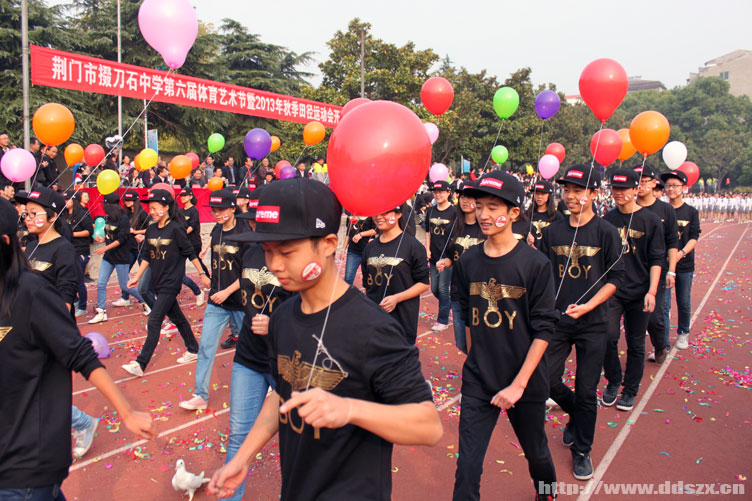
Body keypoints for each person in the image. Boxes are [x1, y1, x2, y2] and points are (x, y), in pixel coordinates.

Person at [207, 178, 442, 500]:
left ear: (329, 243)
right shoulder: (283, 319)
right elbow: (284, 392)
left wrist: (348, 409)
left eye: (287, 251)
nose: (275, 265)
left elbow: (428, 426)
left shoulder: (374, 328)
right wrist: (242, 457)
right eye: (267, 251)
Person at [0, 197, 156, 499]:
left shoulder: (34, 288)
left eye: (34, 213)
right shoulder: (29, 251)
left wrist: (127, 412)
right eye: (26, 214)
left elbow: (79, 350)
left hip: (24, 462)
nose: (29, 219)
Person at [451, 171, 558, 501]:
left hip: (524, 381)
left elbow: (544, 329)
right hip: (479, 380)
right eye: (479, 205)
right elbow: (465, 315)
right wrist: (477, 360)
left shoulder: (536, 264)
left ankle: (547, 493)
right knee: (467, 466)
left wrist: (518, 385)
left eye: (493, 207)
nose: (483, 214)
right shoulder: (468, 262)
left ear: (514, 213)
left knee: (537, 453)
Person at [539, 165, 624, 481]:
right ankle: (575, 412)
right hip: (558, 321)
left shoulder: (606, 232)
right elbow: (542, 274)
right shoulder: (552, 233)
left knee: (587, 390)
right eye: (567, 190)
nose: (571, 196)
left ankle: (582, 449)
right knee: (547, 380)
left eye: (578, 190)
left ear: (593, 194)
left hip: (593, 322)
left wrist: (589, 305)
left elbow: (615, 277)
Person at [122, 189, 210, 377]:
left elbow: (190, 252)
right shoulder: (151, 229)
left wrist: (202, 274)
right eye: (151, 208)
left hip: (171, 282)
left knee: (154, 320)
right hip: (157, 281)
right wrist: (137, 276)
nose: (152, 211)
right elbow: (147, 255)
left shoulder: (176, 229)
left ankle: (140, 363)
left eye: (156, 208)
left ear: (167, 207)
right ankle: (193, 348)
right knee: (178, 318)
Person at [602, 169, 665, 411]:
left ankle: (630, 390)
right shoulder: (608, 219)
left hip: (640, 291)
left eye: (624, 189)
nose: (618, 193)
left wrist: (652, 291)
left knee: (636, 343)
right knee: (608, 336)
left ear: (635, 189)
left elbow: (657, 259)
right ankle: (613, 380)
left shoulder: (650, 221)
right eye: (615, 188)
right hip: (613, 290)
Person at [179, 189, 246, 409]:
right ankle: (201, 395)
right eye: (214, 210)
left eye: (221, 209)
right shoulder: (217, 230)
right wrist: (208, 279)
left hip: (241, 303)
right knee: (206, 347)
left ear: (233, 208)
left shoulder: (245, 232)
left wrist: (228, 291)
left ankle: (273, 384)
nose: (217, 214)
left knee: (256, 347)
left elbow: (249, 271)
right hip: (216, 303)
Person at [361, 205, 430, 344]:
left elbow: (424, 283)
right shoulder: (369, 248)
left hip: (402, 322)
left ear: (399, 214)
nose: (379, 217)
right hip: (375, 323)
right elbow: (368, 285)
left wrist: (397, 298)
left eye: (385, 212)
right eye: (376, 212)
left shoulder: (413, 246)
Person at [634, 164, 678, 364]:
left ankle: (660, 345)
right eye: (637, 182)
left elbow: (672, 242)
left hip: (657, 270)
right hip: (631, 271)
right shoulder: (627, 208)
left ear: (653, 184)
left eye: (644, 181)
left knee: (655, 317)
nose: (640, 186)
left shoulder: (666, 210)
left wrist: (671, 271)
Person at [89, 193, 146, 324]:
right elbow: (110, 235)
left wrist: (104, 248)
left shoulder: (123, 219)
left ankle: (145, 300)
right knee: (101, 283)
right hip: (109, 257)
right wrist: (102, 239)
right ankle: (101, 311)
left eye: (105, 205)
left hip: (121, 256)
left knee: (125, 286)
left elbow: (121, 239)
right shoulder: (109, 218)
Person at [441, 182, 484, 354]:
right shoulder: (453, 227)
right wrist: (445, 262)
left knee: (480, 343)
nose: (465, 201)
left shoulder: (486, 227)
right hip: (459, 292)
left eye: (470, 197)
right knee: (462, 344)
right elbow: (450, 256)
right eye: (462, 197)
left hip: (481, 293)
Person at [660, 171, 701, 351]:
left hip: (684, 265)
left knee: (683, 301)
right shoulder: (661, 210)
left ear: (683, 188)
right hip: (664, 265)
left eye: (675, 186)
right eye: (668, 186)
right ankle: (663, 342)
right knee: (664, 305)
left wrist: (680, 253)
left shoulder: (691, 212)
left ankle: (683, 333)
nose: (671, 189)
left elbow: (694, 237)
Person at [423, 180, 458, 332]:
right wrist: (427, 249)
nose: (438, 195)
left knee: (443, 288)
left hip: (447, 257)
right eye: (435, 192)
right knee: (434, 288)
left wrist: (450, 256)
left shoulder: (454, 212)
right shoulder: (430, 211)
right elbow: (427, 232)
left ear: (448, 193)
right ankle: (449, 306)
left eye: (441, 192)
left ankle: (442, 320)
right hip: (433, 255)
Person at [117, 190, 151, 308]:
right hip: (129, 247)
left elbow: (149, 229)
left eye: (130, 200)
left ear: (135, 200)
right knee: (125, 272)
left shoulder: (142, 213)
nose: (127, 202)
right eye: (126, 200)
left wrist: (136, 231)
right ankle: (125, 297)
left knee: (145, 274)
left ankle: (150, 297)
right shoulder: (125, 214)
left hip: (140, 248)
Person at [63, 191, 94, 317]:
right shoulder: (64, 214)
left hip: (81, 250)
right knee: (70, 278)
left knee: (79, 280)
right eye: (64, 200)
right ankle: (75, 300)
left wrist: (72, 234)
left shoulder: (81, 213)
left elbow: (89, 231)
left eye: (68, 199)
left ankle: (82, 306)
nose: (66, 202)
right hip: (69, 250)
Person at [179, 187, 208, 306]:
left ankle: (208, 279)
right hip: (183, 243)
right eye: (181, 196)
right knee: (179, 266)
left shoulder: (193, 211)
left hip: (193, 242)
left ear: (190, 196)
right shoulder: (180, 211)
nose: (182, 198)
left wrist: (180, 234)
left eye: (185, 195)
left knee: (198, 262)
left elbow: (191, 227)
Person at [343, 215, 376, 286]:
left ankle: (368, 293)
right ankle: (348, 293)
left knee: (369, 279)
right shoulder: (352, 215)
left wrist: (360, 235)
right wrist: (343, 249)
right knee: (348, 278)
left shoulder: (372, 214)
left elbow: (375, 230)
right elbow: (348, 234)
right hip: (353, 251)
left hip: (368, 251)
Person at [529, 180, 563, 248]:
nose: (539, 197)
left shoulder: (557, 216)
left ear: (549, 195)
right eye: (537, 193)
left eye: (543, 194)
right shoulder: (528, 214)